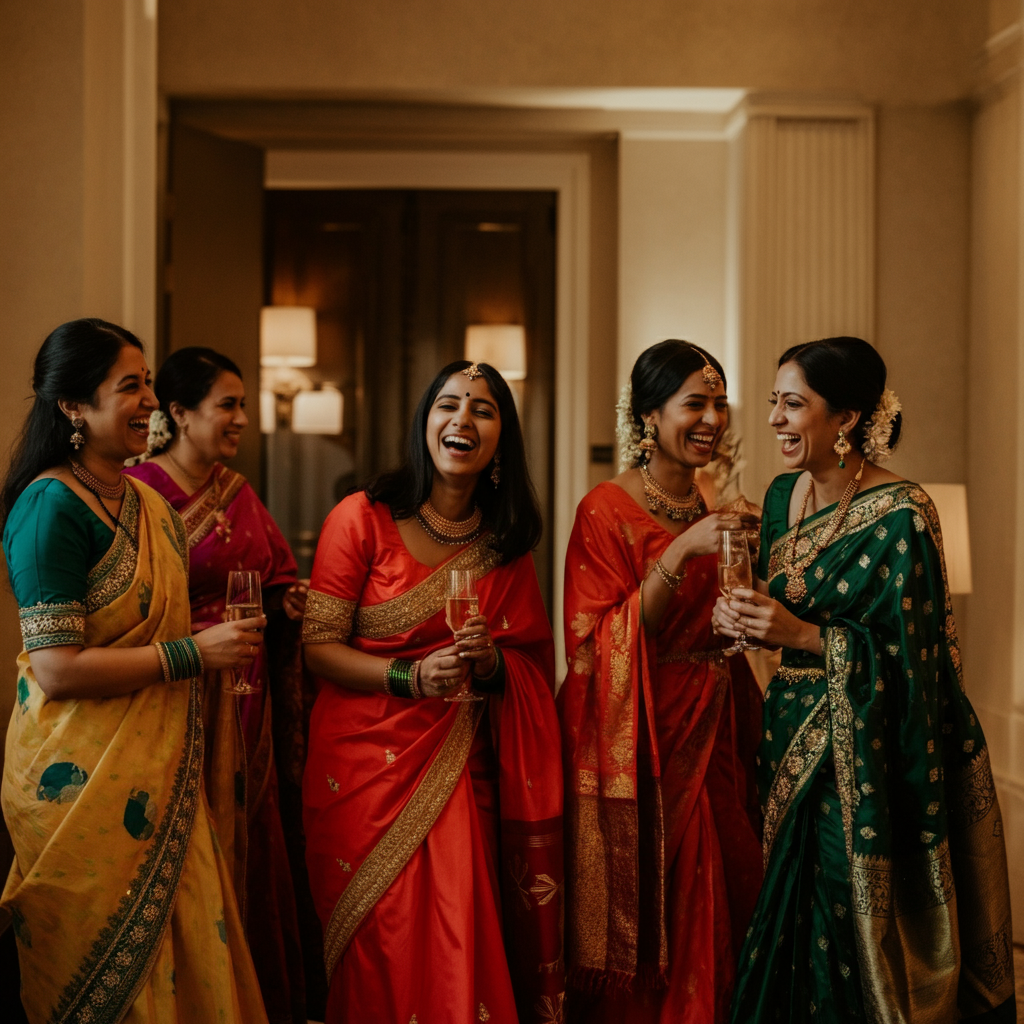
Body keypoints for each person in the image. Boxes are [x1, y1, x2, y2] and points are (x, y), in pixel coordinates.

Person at [715, 336, 1017, 1023]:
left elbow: (919, 665)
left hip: (864, 758)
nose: (774, 421)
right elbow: (782, 598)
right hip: (786, 738)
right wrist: (742, 614)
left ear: (845, 418)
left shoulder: (904, 515)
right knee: (784, 912)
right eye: (773, 403)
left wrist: (797, 635)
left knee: (839, 914)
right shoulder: (781, 495)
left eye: (793, 405)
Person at [0, 319, 269, 1023]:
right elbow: (57, 669)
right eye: (130, 385)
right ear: (73, 407)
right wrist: (194, 655)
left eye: (149, 382)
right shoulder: (47, 506)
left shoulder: (150, 504)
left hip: (165, 772)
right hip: (78, 788)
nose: (150, 399)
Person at [301, 360, 564, 1024]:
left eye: (483, 410)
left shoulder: (503, 548)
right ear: (425, 422)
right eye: (448, 405)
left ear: (501, 438)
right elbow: (318, 648)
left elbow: (531, 664)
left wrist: (491, 661)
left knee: (457, 932)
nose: (463, 420)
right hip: (359, 770)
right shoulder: (361, 519)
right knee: (379, 941)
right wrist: (409, 676)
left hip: (456, 769)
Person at [559, 340, 765, 1024]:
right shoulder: (604, 509)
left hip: (719, 720)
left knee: (727, 879)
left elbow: (730, 615)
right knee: (660, 892)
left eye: (719, 402)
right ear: (650, 417)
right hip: (642, 730)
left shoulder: (717, 503)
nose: (712, 417)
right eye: (694, 404)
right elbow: (597, 642)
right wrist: (681, 550)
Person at [124, 347, 316, 1024]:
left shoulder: (238, 491)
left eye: (243, 404)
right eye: (227, 405)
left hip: (252, 700)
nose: (242, 419)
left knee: (251, 844)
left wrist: (290, 603)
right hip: (179, 697)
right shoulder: (140, 495)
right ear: (177, 413)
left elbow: (278, 576)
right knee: (189, 849)